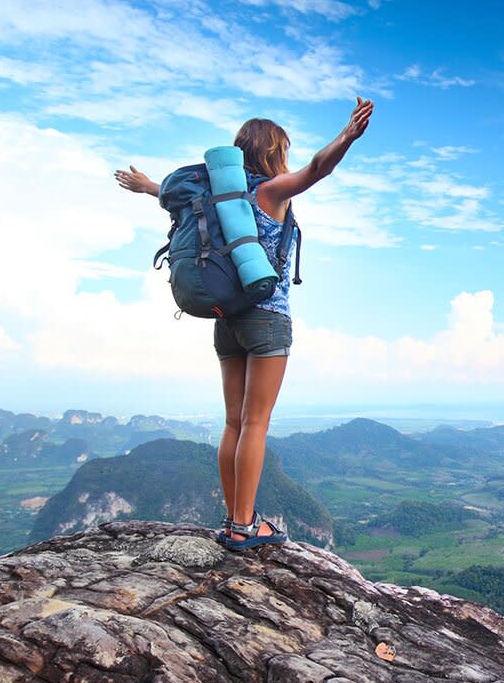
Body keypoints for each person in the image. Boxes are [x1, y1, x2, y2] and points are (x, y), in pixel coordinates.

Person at [114, 97, 374, 549]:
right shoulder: (271, 192)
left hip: (226, 319)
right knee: (256, 423)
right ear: (273, 152)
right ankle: (243, 526)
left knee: (233, 422)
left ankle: (236, 518)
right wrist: (347, 137)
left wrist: (144, 186)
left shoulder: (218, 197)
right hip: (268, 318)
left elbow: (168, 194)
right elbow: (317, 168)